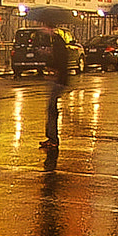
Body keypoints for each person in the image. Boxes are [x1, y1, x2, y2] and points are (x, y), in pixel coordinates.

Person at [39, 28, 71, 159]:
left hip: (59, 79)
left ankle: (53, 138)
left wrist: (48, 57)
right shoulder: (56, 42)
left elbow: (59, 61)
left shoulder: (57, 42)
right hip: (58, 78)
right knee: (51, 108)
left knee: (51, 108)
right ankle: (51, 137)